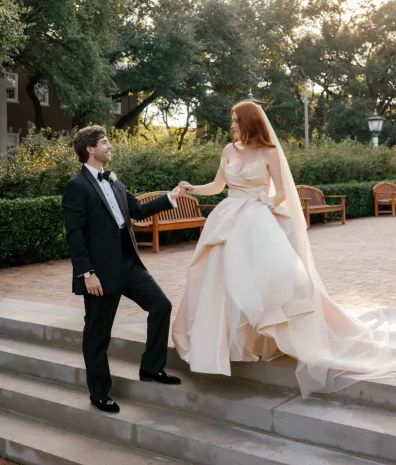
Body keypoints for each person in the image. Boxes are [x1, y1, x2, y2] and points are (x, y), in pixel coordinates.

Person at [172, 101, 396, 398]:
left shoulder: (270, 152)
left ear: (251, 122)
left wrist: (266, 203)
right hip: (226, 220)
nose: (233, 125)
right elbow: (218, 186)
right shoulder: (228, 149)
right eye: (232, 120)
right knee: (220, 279)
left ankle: (264, 338)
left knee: (267, 278)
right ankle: (225, 342)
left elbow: (281, 192)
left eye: (237, 120)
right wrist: (193, 188)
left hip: (256, 220)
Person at [63, 125, 183, 414]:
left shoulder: (115, 182)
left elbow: (137, 211)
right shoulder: (76, 186)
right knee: (97, 335)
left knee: (161, 306)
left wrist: (173, 195)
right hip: (100, 274)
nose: (110, 146)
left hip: (128, 265)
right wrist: (87, 273)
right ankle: (100, 393)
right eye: (105, 142)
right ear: (90, 149)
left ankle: (151, 369)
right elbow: (74, 234)